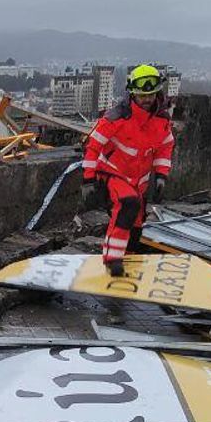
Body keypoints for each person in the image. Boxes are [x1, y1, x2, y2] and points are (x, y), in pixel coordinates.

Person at [82, 64, 175, 276]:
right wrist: (88, 180)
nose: (147, 99)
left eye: (151, 94)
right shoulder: (116, 118)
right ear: (132, 93)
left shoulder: (161, 121)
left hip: (138, 181)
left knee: (136, 221)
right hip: (113, 173)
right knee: (127, 205)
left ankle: (130, 255)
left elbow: (164, 148)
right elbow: (92, 147)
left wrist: (161, 175)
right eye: (142, 94)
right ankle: (113, 258)